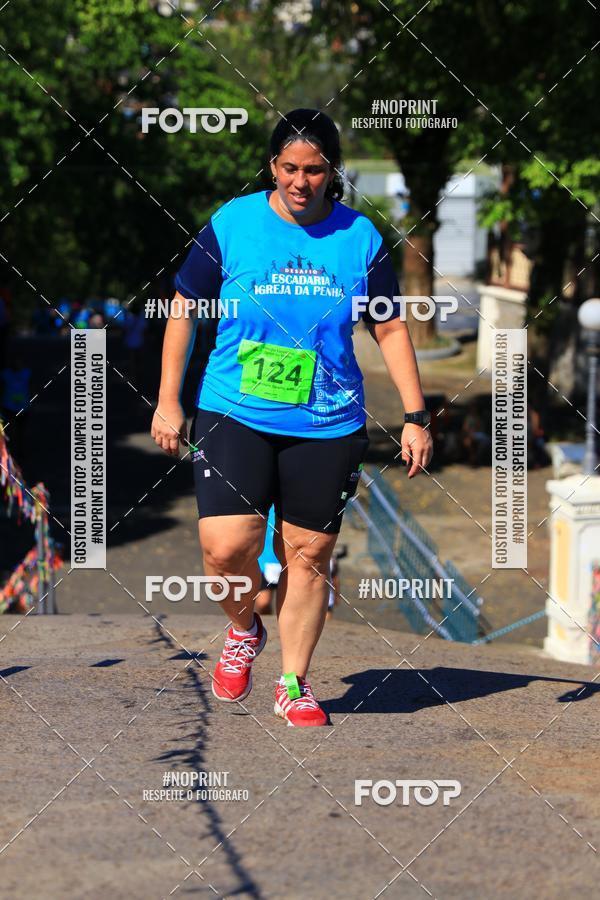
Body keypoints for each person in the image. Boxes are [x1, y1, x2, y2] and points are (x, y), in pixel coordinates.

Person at [151, 108, 433, 727]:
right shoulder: (233, 223)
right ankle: (244, 628)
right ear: (272, 167)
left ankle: (293, 682)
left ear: (333, 172)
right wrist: (170, 400)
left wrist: (415, 415)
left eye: (314, 170)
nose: (301, 181)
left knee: (308, 553)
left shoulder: (359, 237)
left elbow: (389, 327)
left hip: (326, 421)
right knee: (226, 547)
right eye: (289, 168)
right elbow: (183, 308)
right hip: (235, 409)